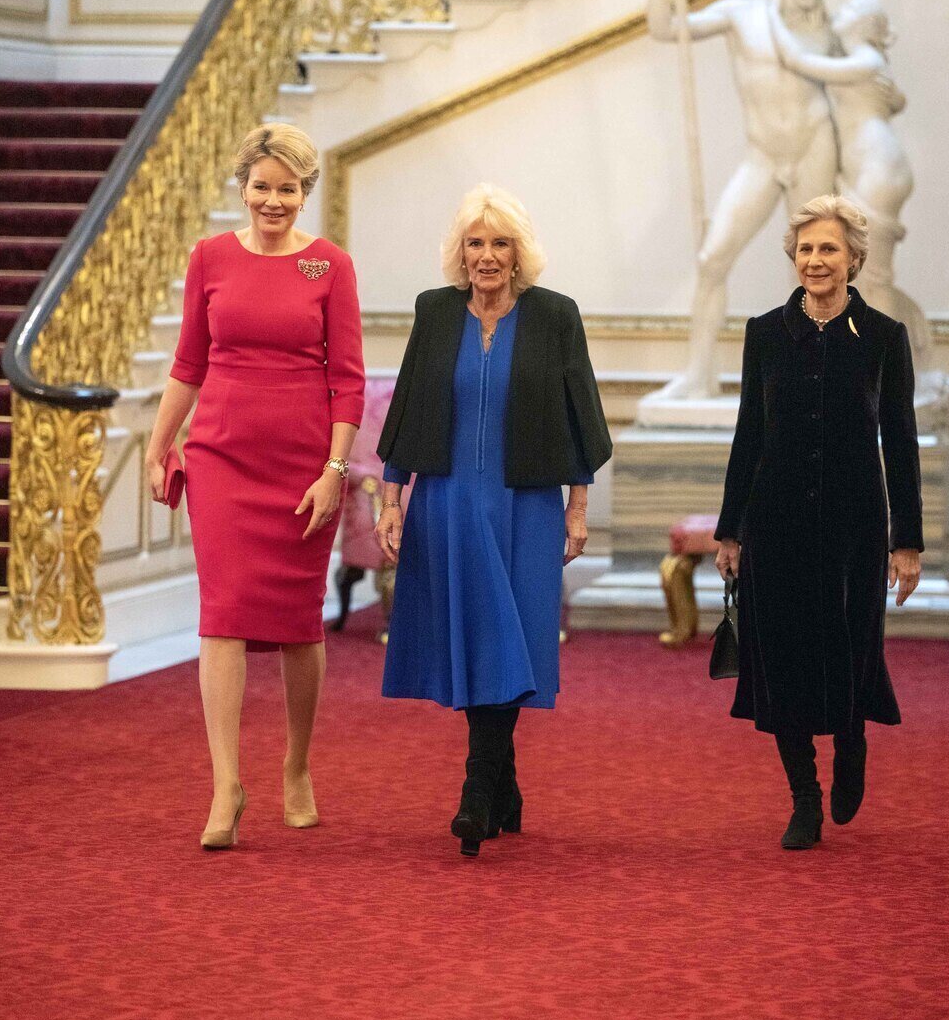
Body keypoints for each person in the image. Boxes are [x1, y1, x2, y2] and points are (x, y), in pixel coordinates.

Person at [375, 185, 612, 857]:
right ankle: (499, 783)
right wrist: (392, 499)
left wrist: (578, 505)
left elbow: (580, 410)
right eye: (476, 243)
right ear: (461, 253)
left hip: (524, 505)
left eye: (499, 243)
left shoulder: (554, 316)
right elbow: (411, 404)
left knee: (507, 639)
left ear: (519, 253)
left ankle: (477, 791)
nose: (486, 256)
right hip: (447, 502)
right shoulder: (435, 312)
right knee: (477, 637)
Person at [146, 123, 364, 849]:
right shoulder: (208, 257)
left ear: (306, 194)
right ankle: (225, 787)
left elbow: (347, 379)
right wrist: (158, 444)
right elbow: (188, 364)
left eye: (288, 189)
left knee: (300, 623)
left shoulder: (331, 265)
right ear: (242, 187)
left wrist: (335, 471)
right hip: (221, 459)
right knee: (224, 615)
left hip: (304, 465)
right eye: (263, 186)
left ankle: (296, 769)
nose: (274, 200)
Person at [714, 194, 923, 850]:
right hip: (774, 522)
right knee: (781, 655)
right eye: (805, 248)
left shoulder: (884, 338)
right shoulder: (765, 333)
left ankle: (853, 738)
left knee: (850, 646)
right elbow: (749, 433)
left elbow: (902, 440)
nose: (815, 260)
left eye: (828, 248)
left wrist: (907, 543)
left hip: (856, 526)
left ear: (854, 258)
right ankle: (803, 795)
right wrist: (730, 529)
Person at [645, 0, 839, 401]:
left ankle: (819, 376)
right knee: (713, 258)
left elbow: (865, 83)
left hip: (815, 146)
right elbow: (666, 28)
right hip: (763, 156)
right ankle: (699, 373)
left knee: (815, 267)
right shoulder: (742, 15)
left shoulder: (826, 25)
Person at [768, 0, 946, 407]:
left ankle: (890, 376)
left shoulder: (864, 59)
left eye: (847, 11)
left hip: (877, 170)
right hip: (875, 165)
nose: (836, 14)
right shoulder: (868, 65)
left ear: (863, 26)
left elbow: (798, 61)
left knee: (873, 277)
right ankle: (914, 355)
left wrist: (770, 16)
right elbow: (896, 99)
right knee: (871, 275)